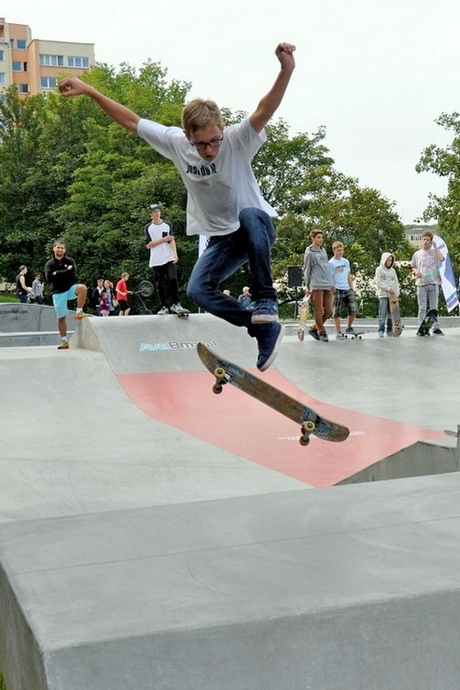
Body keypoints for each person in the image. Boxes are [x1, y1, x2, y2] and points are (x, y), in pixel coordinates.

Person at [58, 42, 296, 372]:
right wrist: (90, 91)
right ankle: (262, 329)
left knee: (250, 214)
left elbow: (264, 110)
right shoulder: (175, 142)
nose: (210, 150)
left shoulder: (237, 139)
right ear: (188, 136)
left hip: (257, 229)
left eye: (214, 141)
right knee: (197, 289)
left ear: (222, 131)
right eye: (201, 144)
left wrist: (286, 70)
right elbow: (131, 121)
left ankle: (265, 298)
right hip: (222, 241)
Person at [44, 240, 88, 349]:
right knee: (61, 318)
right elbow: (49, 278)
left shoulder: (69, 261)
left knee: (82, 288)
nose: (60, 250)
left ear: (65, 250)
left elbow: (72, 275)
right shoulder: (49, 264)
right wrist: (64, 272)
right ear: (54, 248)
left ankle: (79, 311)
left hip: (70, 289)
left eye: (62, 248)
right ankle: (64, 341)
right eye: (58, 247)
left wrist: (57, 273)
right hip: (58, 292)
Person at [144, 203, 184, 314]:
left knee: (172, 278)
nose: (157, 213)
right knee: (160, 283)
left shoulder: (167, 225)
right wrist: (163, 240)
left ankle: (176, 303)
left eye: (158, 211)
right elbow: (148, 244)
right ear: (150, 214)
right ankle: (164, 306)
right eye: (154, 212)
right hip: (156, 259)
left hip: (168, 256)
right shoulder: (149, 227)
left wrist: (175, 254)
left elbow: (171, 240)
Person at [303, 230, 334, 342]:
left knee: (329, 310)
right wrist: (307, 286)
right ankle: (322, 331)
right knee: (319, 310)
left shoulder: (323, 250)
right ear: (313, 238)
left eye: (322, 237)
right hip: (316, 284)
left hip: (327, 283)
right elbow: (307, 269)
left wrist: (332, 283)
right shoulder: (309, 252)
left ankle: (314, 328)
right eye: (318, 237)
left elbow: (326, 268)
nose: (320, 240)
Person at [411, 230, 445, 335]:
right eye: (424, 239)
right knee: (422, 307)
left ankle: (435, 327)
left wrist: (435, 247)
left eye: (428, 240)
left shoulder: (434, 252)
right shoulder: (417, 254)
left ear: (431, 241)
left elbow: (441, 259)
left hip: (433, 282)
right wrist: (416, 272)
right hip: (421, 283)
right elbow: (413, 266)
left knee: (434, 307)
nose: (425, 241)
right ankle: (421, 326)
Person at [328, 241, 358, 339]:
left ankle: (349, 327)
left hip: (346, 288)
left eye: (342, 250)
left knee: (353, 310)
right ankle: (338, 332)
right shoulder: (331, 263)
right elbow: (330, 277)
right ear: (334, 250)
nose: (340, 252)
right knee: (336, 312)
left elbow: (348, 275)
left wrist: (351, 287)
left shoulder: (345, 261)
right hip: (337, 289)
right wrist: (333, 289)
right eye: (338, 250)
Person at [375, 252, 400, 337]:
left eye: (391, 260)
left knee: (391, 314)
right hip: (383, 295)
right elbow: (379, 282)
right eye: (388, 260)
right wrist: (388, 289)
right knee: (382, 313)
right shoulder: (379, 269)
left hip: (392, 296)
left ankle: (389, 330)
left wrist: (397, 293)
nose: (389, 262)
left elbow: (396, 282)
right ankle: (381, 330)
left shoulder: (393, 271)